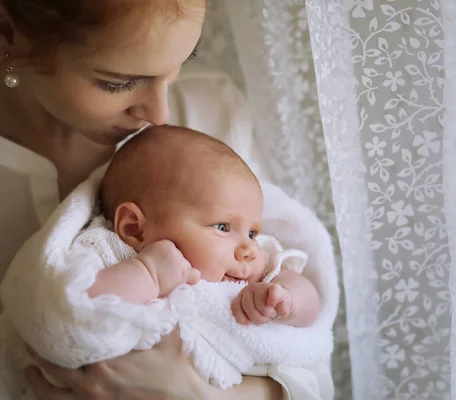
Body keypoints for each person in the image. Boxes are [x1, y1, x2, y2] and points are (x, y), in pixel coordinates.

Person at [0, 0, 334, 399]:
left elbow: (310, 372)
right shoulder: (98, 252)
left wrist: (201, 394)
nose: (160, 114)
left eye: (181, 61)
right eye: (118, 82)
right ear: (7, 35)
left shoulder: (208, 113)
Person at [88, 125, 320, 328]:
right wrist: (148, 274)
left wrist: (283, 299)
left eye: (252, 233)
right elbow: (79, 308)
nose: (248, 249)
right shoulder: (108, 255)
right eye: (222, 227)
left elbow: (311, 304)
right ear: (134, 229)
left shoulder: (260, 277)